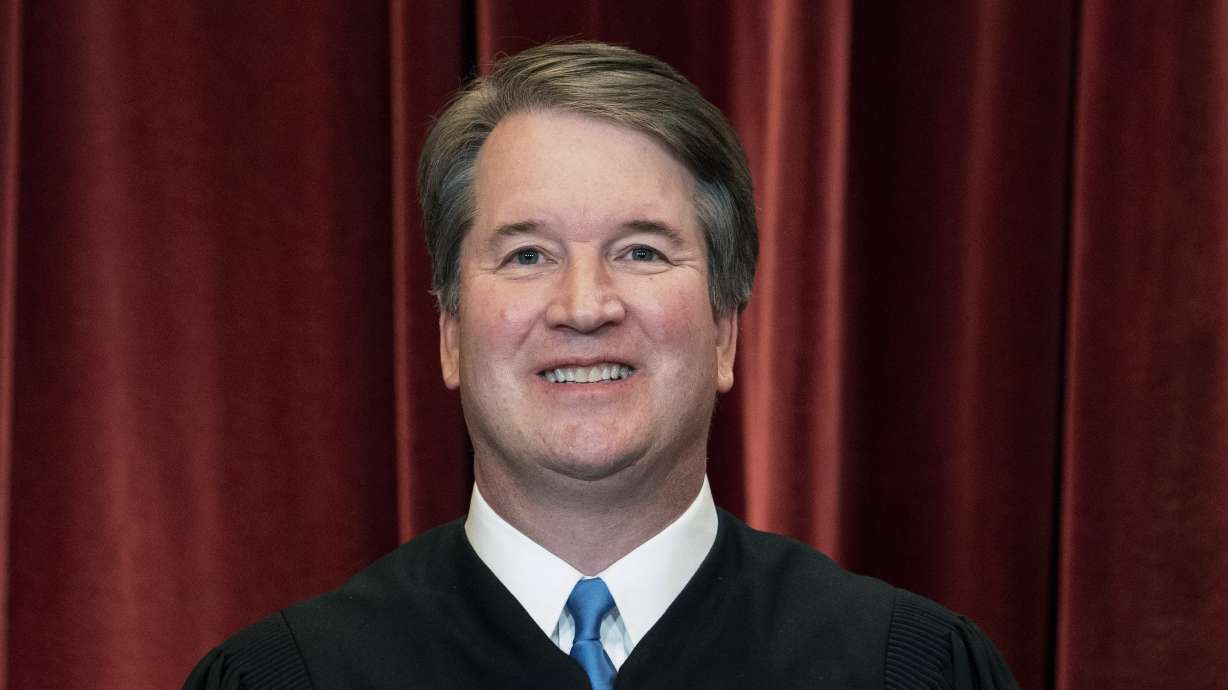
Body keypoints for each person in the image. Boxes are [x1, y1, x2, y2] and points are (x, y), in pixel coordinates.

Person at [184, 42, 1018, 689]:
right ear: (448, 333)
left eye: (642, 250)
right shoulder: (290, 678)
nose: (585, 307)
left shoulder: (907, 672)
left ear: (726, 328)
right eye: (525, 256)